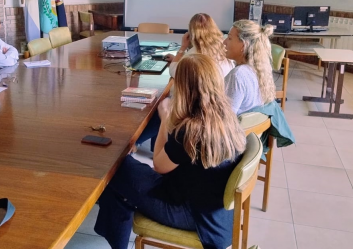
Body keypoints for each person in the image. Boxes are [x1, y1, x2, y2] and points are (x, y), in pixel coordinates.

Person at [94, 54, 247, 249]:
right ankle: (116, 223)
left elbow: (159, 165)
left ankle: (115, 234)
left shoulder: (192, 130)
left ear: (184, 88)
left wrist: (165, 120)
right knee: (122, 178)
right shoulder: (226, 116)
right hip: (212, 212)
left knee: (115, 165)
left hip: (188, 213)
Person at [137, 13, 234, 150]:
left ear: (192, 33)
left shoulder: (195, 53)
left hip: (194, 104)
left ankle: (135, 143)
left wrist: (182, 48)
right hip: (215, 103)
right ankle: (151, 144)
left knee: (161, 102)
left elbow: (174, 71)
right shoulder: (224, 49)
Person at [223, 20, 276, 114]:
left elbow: (226, 117)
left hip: (237, 128)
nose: (224, 42)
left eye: (229, 38)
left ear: (244, 45)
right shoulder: (260, 70)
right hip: (252, 127)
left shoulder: (238, 74)